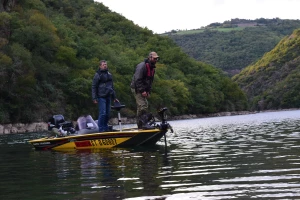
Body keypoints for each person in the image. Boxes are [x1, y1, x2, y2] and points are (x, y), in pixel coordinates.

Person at [130, 52, 159, 129]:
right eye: (154, 58)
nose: (156, 60)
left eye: (157, 58)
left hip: (142, 88)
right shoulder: (142, 66)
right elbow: (137, 79)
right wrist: (142, 90)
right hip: (136, 88)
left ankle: (140, 124)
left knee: (142, 106)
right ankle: (143, 123)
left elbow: (150, 82)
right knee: (143, 105)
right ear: (150, 58)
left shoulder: (152, 68)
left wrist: (148, 91)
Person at [92, 60, 119, 132]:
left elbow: (111, 87)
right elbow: (94, 86)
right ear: (100, 66)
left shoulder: (109, 74)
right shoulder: (97, 74)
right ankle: (101, 129)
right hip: (101, 96)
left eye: (106, 64)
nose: (105, 65)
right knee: (102, 113)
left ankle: (106, 128)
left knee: (108, 113)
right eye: (103, 64)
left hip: (108, 95)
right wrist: (94, 97)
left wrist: (114, 97)